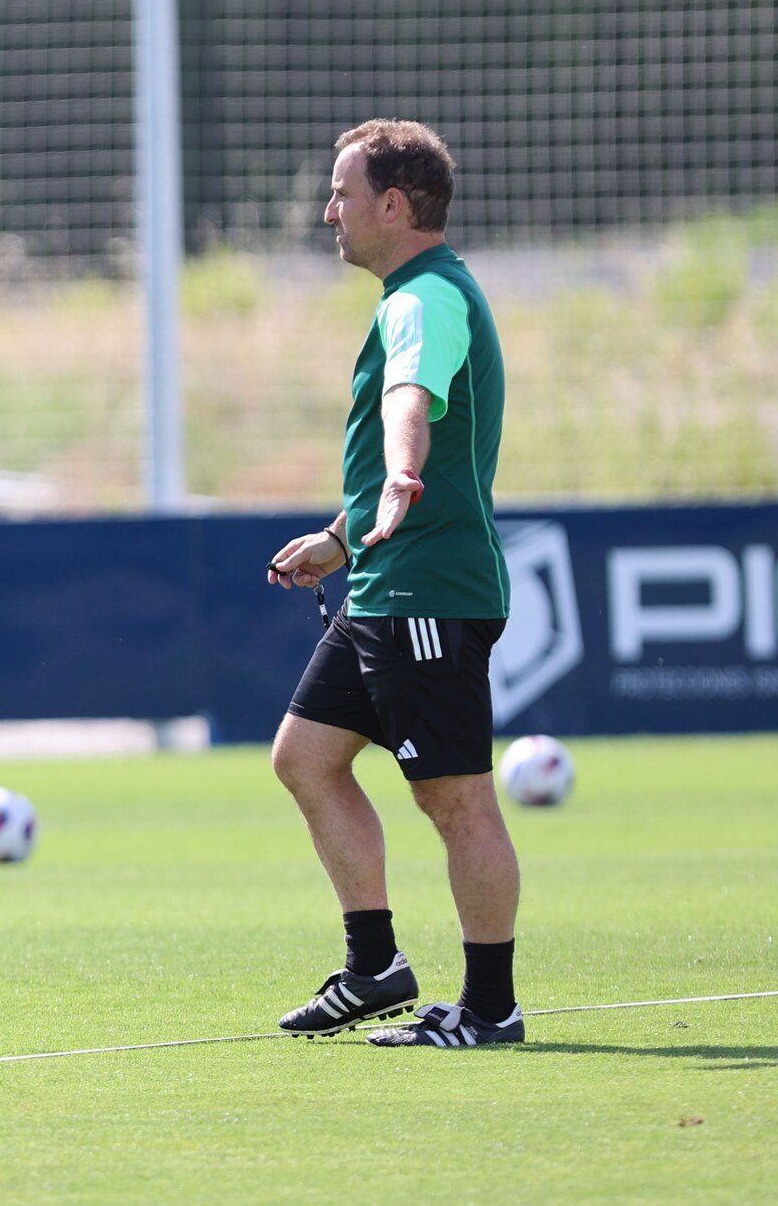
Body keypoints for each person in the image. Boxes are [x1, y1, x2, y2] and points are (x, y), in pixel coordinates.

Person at [264, 119, 524, 1048]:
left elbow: (410, 400)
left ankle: (490, 1006)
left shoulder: (423, 299)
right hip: (385, 579)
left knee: (454, 799)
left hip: (428, 591)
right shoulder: (419, 294)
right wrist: (342, 536)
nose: (328, 210)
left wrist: (402, 472)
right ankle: (376, 967)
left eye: (341, 193)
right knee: (304, 758)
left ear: (394, 205)